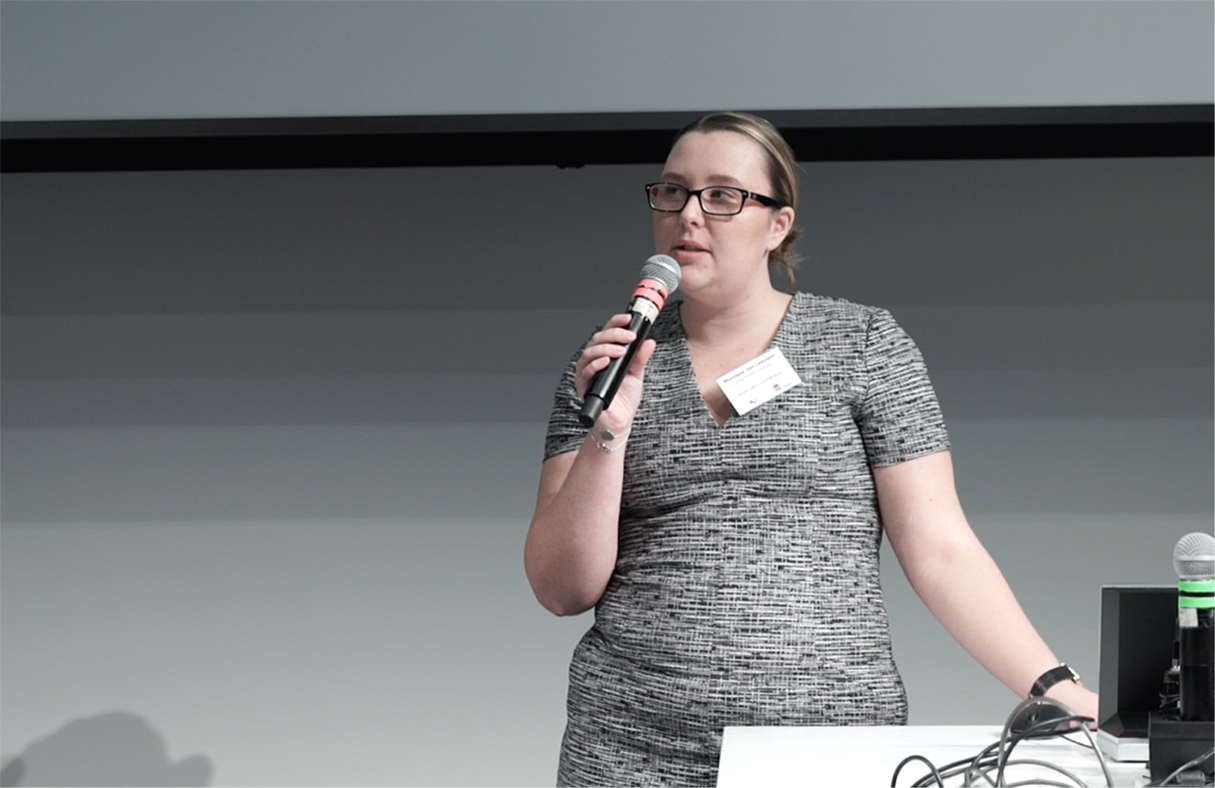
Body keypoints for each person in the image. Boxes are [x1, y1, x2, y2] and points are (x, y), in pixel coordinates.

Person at [524, 111, 1098, 788]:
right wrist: (608, 433)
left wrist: (1052, 684)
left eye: (723, 195)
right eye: (672, 192)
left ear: (776, 224)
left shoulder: (861, 343)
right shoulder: (610, 362)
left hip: (827, 744)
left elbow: (940, 548)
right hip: (628, 745)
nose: (689, 214)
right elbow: (561, 589)